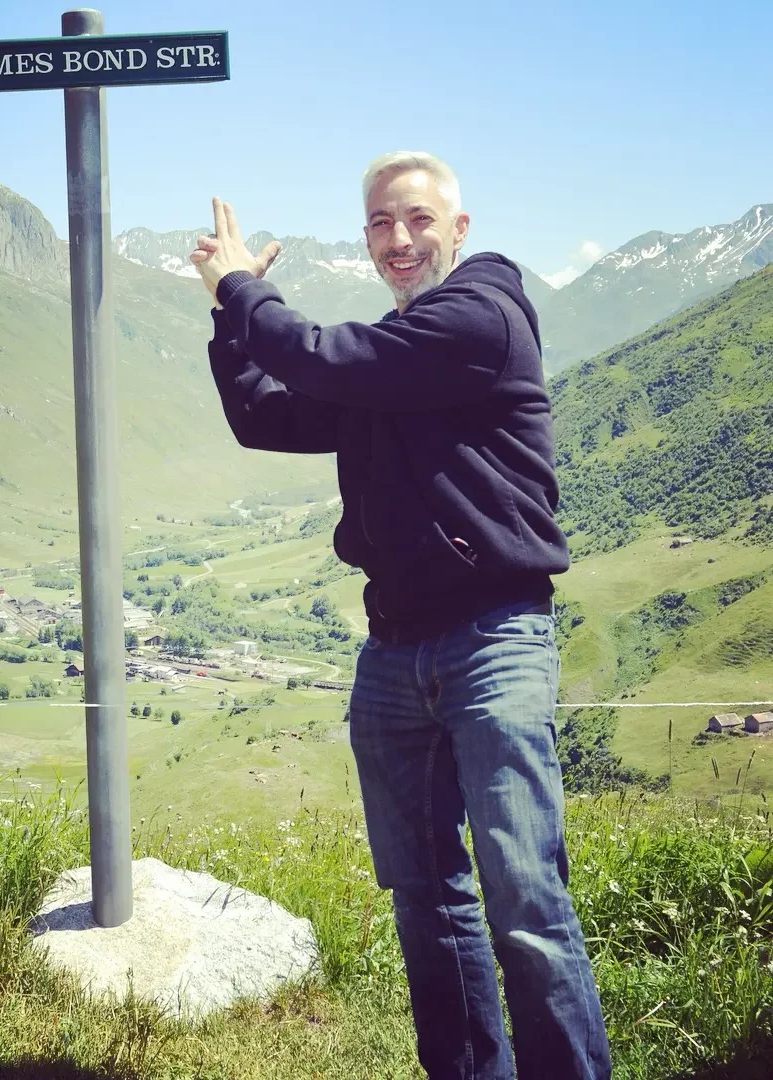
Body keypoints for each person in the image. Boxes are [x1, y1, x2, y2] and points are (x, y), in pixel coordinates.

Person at [190, 151, 611, 1080]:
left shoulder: (479, 320)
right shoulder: (393, 362)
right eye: (380, 222)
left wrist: (237, 289)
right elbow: (266, 412)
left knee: (524, 897)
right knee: (425, 897)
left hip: (494, 638)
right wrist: (232, 318)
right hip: (393, 652)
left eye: (417, 218)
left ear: (458, 230)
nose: (398, 238)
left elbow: (315, 356)